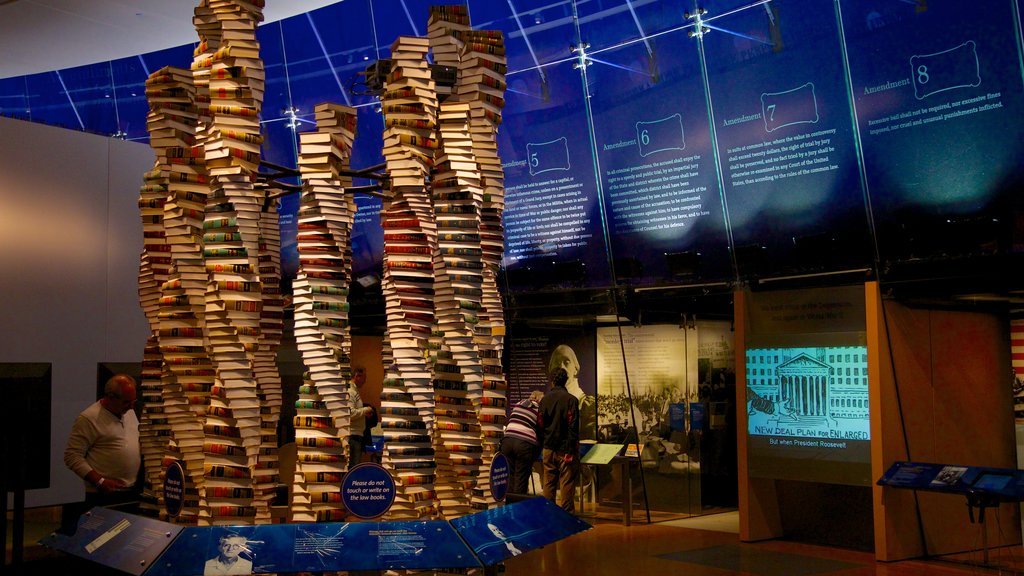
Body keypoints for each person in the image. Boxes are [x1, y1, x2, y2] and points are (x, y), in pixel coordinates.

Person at [63, 374, 141, 508]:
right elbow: (72, 456)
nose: (131, 407)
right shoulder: (88, 418)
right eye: (127, 402)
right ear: (110, 397)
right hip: (103, 495)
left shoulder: (128, 411)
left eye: (134, 401)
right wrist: (100, 481)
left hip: (131, 492)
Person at [539, 368, 580, 513]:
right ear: (566, 380)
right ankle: (567, 518)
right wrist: (570, 450)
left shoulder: (544, 400)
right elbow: (573, 427)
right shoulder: (571, 400)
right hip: (565, 450)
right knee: (567, 483)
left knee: (548, 483)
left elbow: (541, 424)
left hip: (548, 448)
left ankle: (548, 515)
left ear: (552, 381)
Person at [499, 390, 544, 495]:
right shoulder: (539, 410)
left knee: (509, 476)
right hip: (524, 444)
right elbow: (541, 429)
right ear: (540, 400)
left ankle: (509, 506)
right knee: (521, 478)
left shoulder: (519, 404)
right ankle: (518, 506)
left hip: (507, 441)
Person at [348, 367, 377, 463]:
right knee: (353, 468)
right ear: (357, 376)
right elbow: (350, 413)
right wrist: (365, 410)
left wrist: (364, 414)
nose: (365, 381)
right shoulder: (351, 392)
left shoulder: (355, 392)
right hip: (353, 436)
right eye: (364, 378)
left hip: (357, 435)